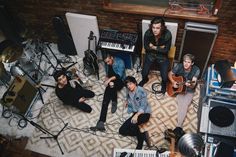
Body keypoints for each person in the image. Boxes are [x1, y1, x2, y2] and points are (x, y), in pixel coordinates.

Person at [168, 53, 200, 135]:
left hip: (189, 90)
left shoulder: (196, 70)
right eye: (185, 61)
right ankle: (179, 127)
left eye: (188, 62)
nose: (186, 64)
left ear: (192, 63)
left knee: (184, 105)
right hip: (181, 88)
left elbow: (193, 83)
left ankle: (178, 127)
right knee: (180, 104)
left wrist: (191, 84)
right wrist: (173, 82)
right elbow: (169, 74)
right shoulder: (179, 66)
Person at [91, 54, 126, 131]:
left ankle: (114, 101)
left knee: (112, 86)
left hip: (120, 81)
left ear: (112, 57)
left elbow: (119, 75)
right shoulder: (107, 63)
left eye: (108, 61)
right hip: (111, 80)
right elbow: (108, 73)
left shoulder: (120, 62)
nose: (107, 63)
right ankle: (101, 122)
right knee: (105, 99)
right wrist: (107, 78)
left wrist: (109, 80)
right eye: (106, 62)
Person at [139, 17, 172, 94]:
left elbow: (166, 50)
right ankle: (145, 80)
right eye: (153, 27)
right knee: (144, 72)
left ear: (162, 28)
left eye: (157, 28)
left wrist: (153, 47)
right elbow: (146, 47)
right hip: (151, 54)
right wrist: (160, 48)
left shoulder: (168, 34)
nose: (155, 30)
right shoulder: (148, 33)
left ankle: (163, 84)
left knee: (164, 77)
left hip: (162, 57)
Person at [119, 76, 151, 149]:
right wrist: (126, 101)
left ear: (135, 83)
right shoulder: (128, 90)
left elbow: (143, 106)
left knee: (133, 124)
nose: (129, 86)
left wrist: (136, 116)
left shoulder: (141, 91)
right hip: (135, 111)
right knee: (122, 131)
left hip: (144, 113)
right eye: (127, 85)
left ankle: (140, 141)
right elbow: (128, 96)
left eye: (130, 84)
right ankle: (142, 135)